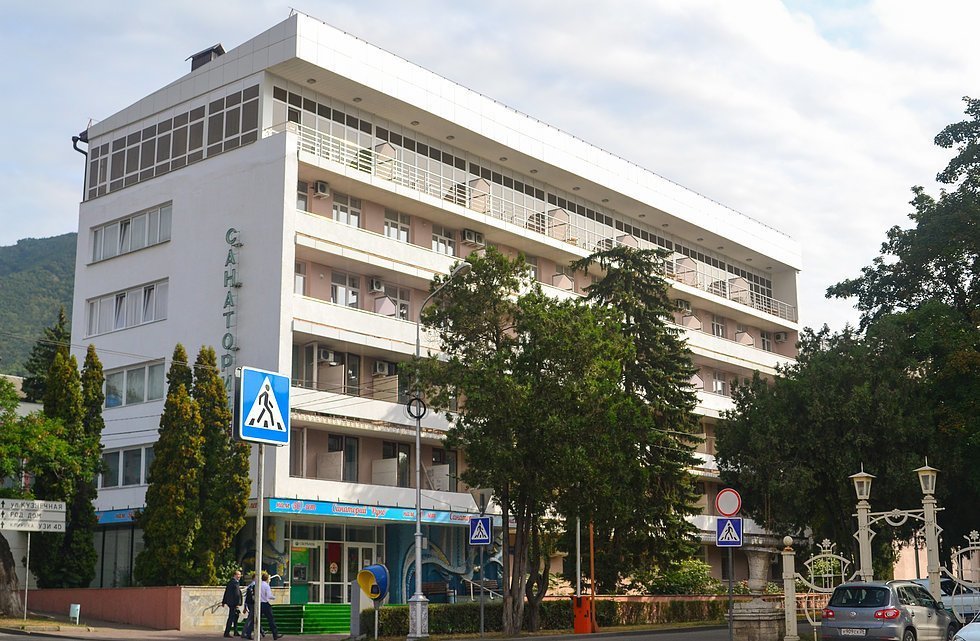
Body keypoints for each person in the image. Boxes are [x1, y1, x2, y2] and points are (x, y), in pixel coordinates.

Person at [259, 570, 283, 640]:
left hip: (259, 604)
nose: (270, 580)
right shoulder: (266, 586)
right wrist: (274, 597)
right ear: (267, 579)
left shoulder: (259, 585)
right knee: (271, 619)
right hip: (265, 604)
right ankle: (275, 634)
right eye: (269, 578)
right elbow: (269, 595)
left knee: (258, 619)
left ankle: (258, 632)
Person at [222, 569, 243, 638]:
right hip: (233, 603)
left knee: (235, 617)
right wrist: (238, 603)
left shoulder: (230, 582)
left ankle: (235, 631)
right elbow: (237, 594)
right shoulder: (235, 583)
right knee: (231, 618)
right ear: (235, 575)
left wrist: (224, 601)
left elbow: (226, 592)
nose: (240, 576)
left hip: (231, 602)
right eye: (238, 574)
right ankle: (227, 632)